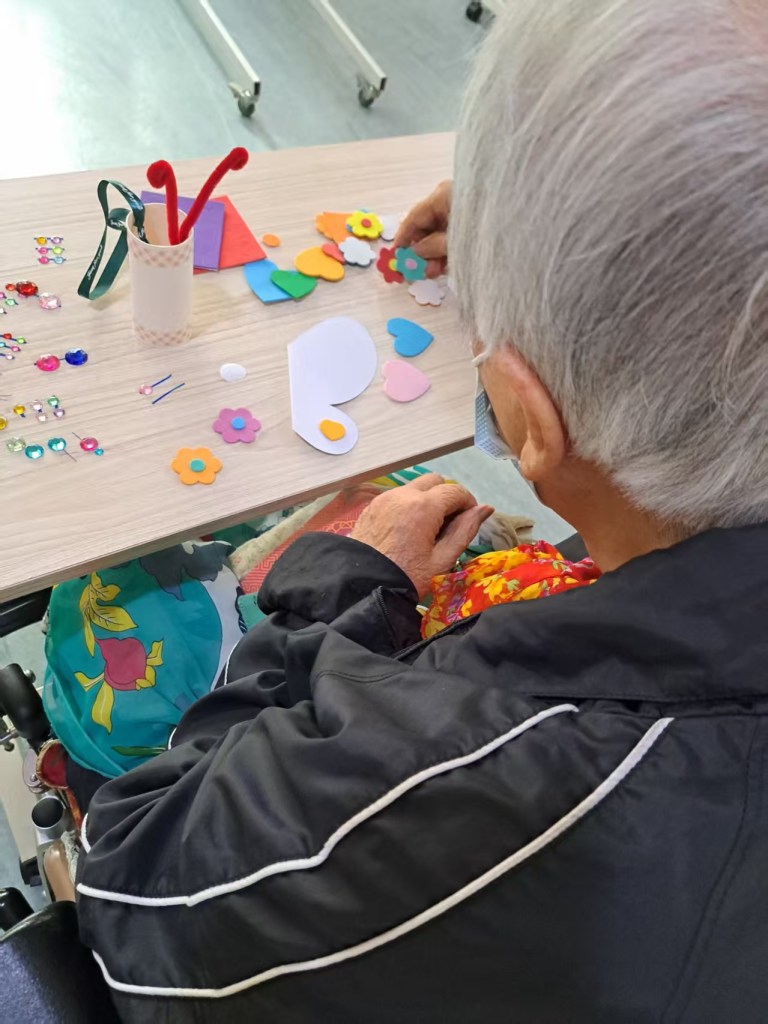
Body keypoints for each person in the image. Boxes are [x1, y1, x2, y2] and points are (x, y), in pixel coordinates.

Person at [77, 0, 768, 1020]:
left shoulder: (469, 783)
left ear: (528, 418)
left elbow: (133, 873)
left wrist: (347, 587)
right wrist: (541, 235)